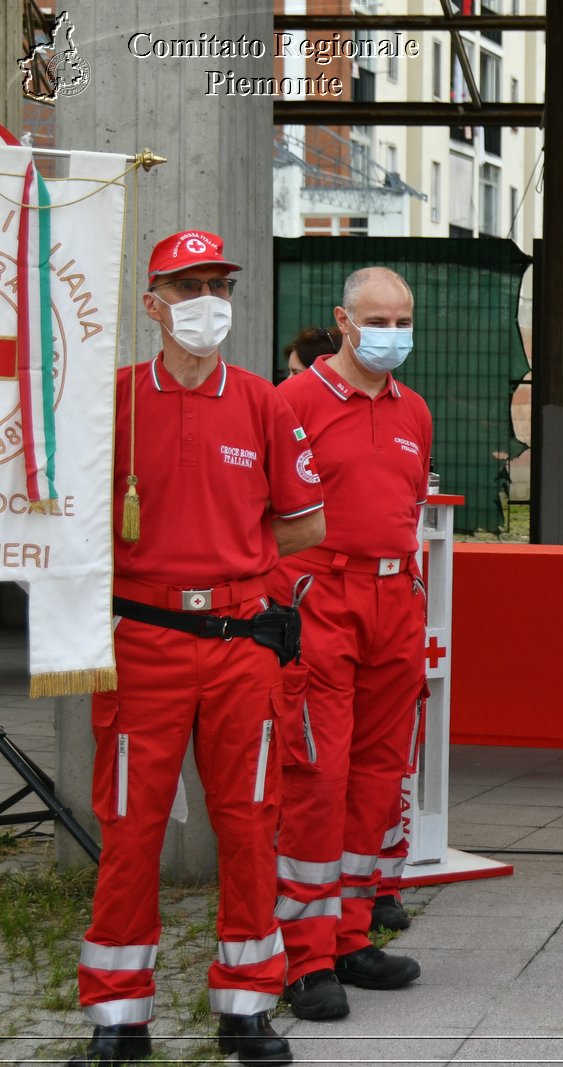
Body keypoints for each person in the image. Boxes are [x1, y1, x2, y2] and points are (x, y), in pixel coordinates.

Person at [73, 229, 325, 1066]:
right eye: (187, 288)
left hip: (239, 646)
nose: (206, 302)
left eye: (218, 283)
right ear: (152, 305)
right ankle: (119, 1017)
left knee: (250, 823)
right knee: (131, 827)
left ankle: (246, 1003)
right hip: (140, 644)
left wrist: (234, 573)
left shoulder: (264, 401)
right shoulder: (110, 401)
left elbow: (306, 521)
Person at [272, 268, 431, 1021]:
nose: (392, 330)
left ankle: (351, 934)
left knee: (377, 772)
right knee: (317, 774)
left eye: (403, 317)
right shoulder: (291, 404)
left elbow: (408, 505)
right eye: (378, 317)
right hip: (320, 599)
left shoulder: (415, 410)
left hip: (395, 599)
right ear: (343, 320)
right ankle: (304, 957)